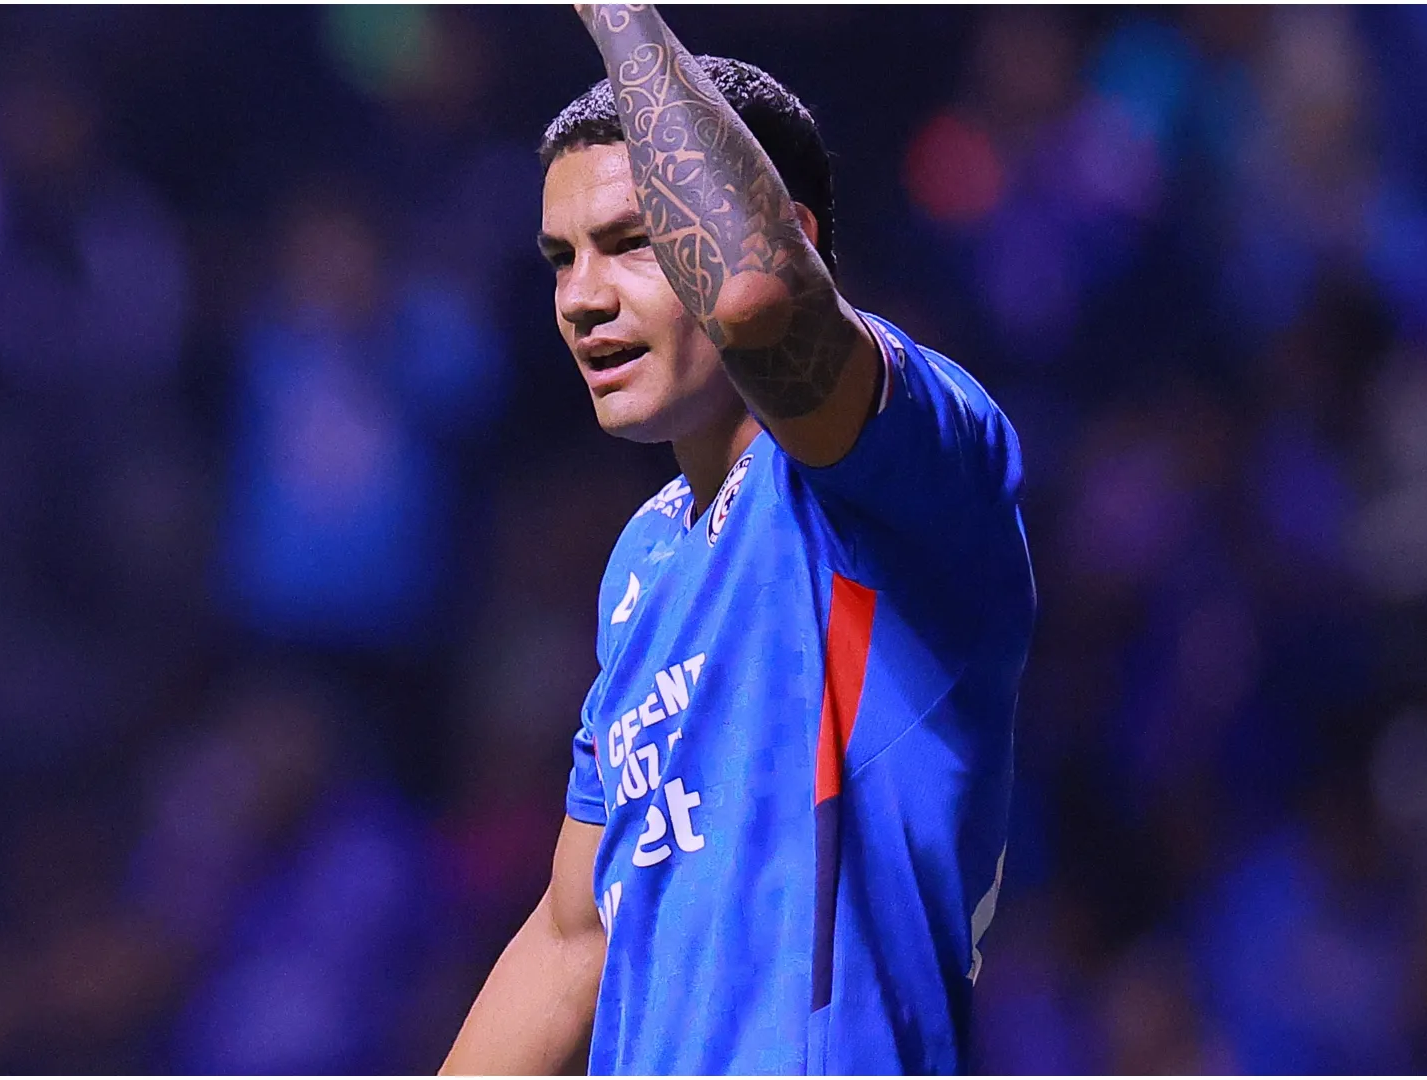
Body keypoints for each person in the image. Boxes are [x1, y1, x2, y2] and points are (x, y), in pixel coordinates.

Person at [442, 5, 1034, 1074]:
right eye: (562, 258)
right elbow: (577, 934)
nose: (581, 298)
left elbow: (759, 303)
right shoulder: (645, 562)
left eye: (632, 243)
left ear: (788, 232)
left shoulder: (912, 459)